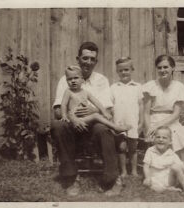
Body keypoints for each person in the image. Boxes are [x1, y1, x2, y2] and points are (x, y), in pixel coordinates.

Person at [51, 41, 124, 197]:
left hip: (94, 125)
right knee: (58, 126)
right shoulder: (66, 78)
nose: (88, 62)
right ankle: (71, 178)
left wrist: (94, 110)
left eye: (92, 59)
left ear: (96, 62)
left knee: (104, 129)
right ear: (78, 59)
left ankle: (112, 179)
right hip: (72, 124)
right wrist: (74, 118)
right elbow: (58, 110)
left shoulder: (101, 80)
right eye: (85, 58)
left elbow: (107, 109)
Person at [143, 55, 184, 170]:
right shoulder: (150, 86)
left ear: (173, 68)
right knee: (162, 135)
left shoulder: (178, 87)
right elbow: (146, 113)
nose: (162, 70)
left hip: (171, 120)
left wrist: (159, 125)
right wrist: (148, 129)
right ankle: (165, 173)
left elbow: (176, 114)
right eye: (159, 68)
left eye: (166, 67)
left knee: (183, 133)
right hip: (154, 119)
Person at [61, 65, 131, 133]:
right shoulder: (68, 92)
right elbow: (63, 104)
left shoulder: (85, 92)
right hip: (74, 119)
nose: (73, 81)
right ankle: (116, 128)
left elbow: (96, 102)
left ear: (82, 79)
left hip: (85, 118)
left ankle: (113, 131)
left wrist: (104, 112)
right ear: (66, 81)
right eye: (69, 79)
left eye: (76, 78)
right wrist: (64, 116)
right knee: (96, 116)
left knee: (102, 117)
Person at [110, 57, 143, 177]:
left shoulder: (137, 86)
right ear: (117, 72)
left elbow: (141, 105)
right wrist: (112, 123)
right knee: (121, 147)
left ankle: (133, 171)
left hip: (133, 122)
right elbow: (111, 106)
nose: (124, 72)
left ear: (132, 70)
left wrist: (141, 122)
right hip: (119, 123)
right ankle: (123, 171)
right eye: (121, 70)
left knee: (133, 148)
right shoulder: (113, 87)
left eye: (126, 69)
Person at [143, 126, 184, 193]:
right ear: (154, 139)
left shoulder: (171, 153)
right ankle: (168, 189)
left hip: (168, 179)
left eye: (164, 138)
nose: (161, 139)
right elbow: (146, 166)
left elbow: (183, 166)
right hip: (155, 179)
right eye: (158, 137)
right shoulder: (150, 151)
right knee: (151, 186)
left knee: (177, 166)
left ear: (170, 142)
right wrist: (147, 178)